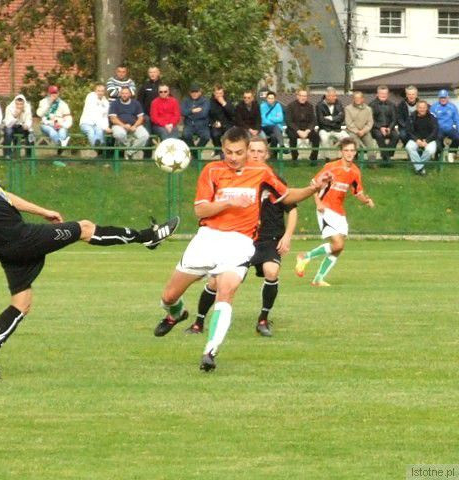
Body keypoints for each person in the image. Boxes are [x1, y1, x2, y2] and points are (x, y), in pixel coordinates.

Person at [0, 130, 180, 380]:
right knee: (84, 228)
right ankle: (148, 237)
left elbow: (6, 196)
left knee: (22, 303)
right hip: (22, 239)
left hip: (7, 248)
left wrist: (42, 211)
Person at [152, 127, 332, 372]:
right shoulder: (211, 170)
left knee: (225, 292)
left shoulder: (261, 172)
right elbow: (200, 210)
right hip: (207, 239)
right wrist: (228, 202)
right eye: (228, 152)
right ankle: (176, 314)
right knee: (169, 297)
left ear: (247, 150)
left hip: (240, 242)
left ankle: (210, 351)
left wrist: (313, 187)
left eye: (238, 152)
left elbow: (287, 197)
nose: (233, 157)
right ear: (222, 149)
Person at [180, 138, 298, 338]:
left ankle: (263, 320)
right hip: (240, 238)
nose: (256, 155)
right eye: (252, 151)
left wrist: (287, 236)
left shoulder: (272, 178)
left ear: (267, 154)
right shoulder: (236, 176)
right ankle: (198, 322)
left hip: (268, 238)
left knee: (272, 271)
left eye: (260, 151)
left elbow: (292, 208)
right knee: (215, 283)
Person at [295, 138, 375, 287]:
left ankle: (318, 279)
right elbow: (313, 184)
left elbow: (358, 192)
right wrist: (318, 203)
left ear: (355, 152)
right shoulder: (331, 167)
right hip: (326, 209)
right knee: (338, 244)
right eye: (346, 150)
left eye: (352, 150)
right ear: (341, 152)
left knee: (339, 247)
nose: (349, 153)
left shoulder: (355, 172)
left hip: (339, 211)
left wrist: (366, 200)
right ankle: (305, 256)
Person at [108, 86, 150, 159]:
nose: (124, 95)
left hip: (134, 125)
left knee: (145, 135)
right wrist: (124, 125)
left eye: (126, 93)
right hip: (119, 125)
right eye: (123, 93)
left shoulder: (136, 103)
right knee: (119, 134)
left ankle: (129, 152)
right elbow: (113, 119)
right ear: (120, 94)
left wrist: (135, 126)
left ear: (130, 94)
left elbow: (141, 118)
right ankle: (128, 145)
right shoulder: (114, 103)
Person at [286, 89, 320, 166]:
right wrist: (298, 131)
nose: (303, 98)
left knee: (316, 137)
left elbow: (313, 121)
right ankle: (294, 158)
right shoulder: (290, 106)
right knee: (292, 137)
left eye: (305, 96)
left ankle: (313, 158)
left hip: (306, 129)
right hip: (294, 129)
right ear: (297, 96)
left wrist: (308, 130)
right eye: (301, 96)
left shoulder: (310, 106)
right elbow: (289, 121)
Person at [405, 100, 438, 176]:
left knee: (430, 150)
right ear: (417, 108)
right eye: (420, 107)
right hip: (416, 139)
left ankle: (418, 167)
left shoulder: (432, 117)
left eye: (424, 107)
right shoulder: (411, 117)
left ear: (427, 108)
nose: (422, 109)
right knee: (409, 147)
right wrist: (416, 140)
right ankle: (420, 168)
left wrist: (427, 141)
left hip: (429, 139)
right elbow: (408, 130)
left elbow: (435, 130)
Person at [369, 85, 398, 167]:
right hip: (376, 128)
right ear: (377, 94)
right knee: (379, 135)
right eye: (381, 93)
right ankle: (386, 158)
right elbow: (370, 120)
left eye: (385, 93)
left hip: (389, 127)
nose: (383, 95)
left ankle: (387, 155)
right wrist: (380, 127)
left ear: (388, 94)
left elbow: (394, 119)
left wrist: (390, 128)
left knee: (396, 136)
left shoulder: (392, 105)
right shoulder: (372, 105)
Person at [36, 85, 73, 152]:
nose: (54, 95)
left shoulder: (62, 104)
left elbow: (68, 118)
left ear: (58, 93)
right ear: (48, 93)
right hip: (46, 124)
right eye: (52, 93)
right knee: (51, 131)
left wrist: (63, 125)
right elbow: (39, 114)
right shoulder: (43, 102)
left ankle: (60, 147)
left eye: (55, 93)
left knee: (62, 131)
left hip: (59, 124)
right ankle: (61, 144)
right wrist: (49, 104)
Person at [344, 91, 377, 165]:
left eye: (359, 98)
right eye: (355, 98)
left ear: (363, 99)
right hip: (352, 131)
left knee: (370, 142)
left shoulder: (368, 109)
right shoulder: (348, 108)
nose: (357, 99)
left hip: (364, 131)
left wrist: (363, 131)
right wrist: (357, 131)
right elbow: (349, 123)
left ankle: (372, 162)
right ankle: (356, 161)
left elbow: (370, 122)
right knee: (355, 141)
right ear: (353, 99)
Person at [316, 87, 348, 160]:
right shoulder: (319, 105)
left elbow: (342, 117)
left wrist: (331, 118)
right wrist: (335, 121)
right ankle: (328, 158)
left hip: (337, 129)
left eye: (335, 96)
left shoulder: (339, 103)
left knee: (346, 138)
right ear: (327, 96)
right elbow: (321, 121)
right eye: (333, 96)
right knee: (324, 138)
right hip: (324, 129)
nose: (335, 97)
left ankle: (341, 157)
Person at [181, 83, 210, 160]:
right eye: (192, 92)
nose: (194, 94)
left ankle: (194, 154)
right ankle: (196, 155)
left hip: (202, 125)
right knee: (185, 135)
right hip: (189, 125)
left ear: (200, 92)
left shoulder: (205, 100)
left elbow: (204, 113)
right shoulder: (185, 100)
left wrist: (189, 114)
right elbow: (182, 112)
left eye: (196, 92)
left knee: (206, 136)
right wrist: (192, 111)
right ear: (189, 92)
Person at [79, 83, 111, 153]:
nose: (100, 93)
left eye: (102, 91)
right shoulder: (90, 97)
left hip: (97, 125)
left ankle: (100, 148)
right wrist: (104, 127)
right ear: (95, 91)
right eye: (98, 91)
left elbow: (104, 117)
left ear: (104, 92)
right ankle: (98, 148)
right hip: (86, 123)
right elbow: (94, 114)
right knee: (91, 131)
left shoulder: (106, 102)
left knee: (99, 131)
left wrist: (106, 127)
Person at [430, 89, 459, 163]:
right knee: (438, 139)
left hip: (450, 128)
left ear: (448, 98)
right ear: (438, 98)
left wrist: (458, 129)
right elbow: (431, 120)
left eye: (444, 97)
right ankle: (440, 154)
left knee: (457, 137)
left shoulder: (452, 107)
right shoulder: (434, 107)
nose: (443, 99)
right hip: (439, 128)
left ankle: (451, 153)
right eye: (441, 97)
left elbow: (457, 119)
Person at [3, 94, 34, 160]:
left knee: (31, 134)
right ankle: (7, 154)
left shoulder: (27, 108)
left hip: (22, 127)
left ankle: (29, 154)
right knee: (8, 132)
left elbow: (29, 119)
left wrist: (27, 125)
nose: (19, 106)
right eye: (17, 104)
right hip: (11, 126)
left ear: (23, 104)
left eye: (21, 104)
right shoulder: (9, 108)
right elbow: (8, 124)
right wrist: (16, 116)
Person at [208, 85, 235, 159]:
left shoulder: (227, 100)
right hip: (216, 124)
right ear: (214, 93)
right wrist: (213, 123)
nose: (219, 95)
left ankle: (228, 152)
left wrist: (224, 103)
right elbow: (208, 115)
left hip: (227, 124)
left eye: (221, 93)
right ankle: (219, 151)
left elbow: (232, 113)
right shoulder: (210, 102)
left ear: (223, 93)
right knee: (215, 134)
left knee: (228, 135)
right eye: (217, 93)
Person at [135, 66, 162, 134]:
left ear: (158, 73)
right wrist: (142, 113)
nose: (152, 74)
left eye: (154, 72)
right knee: (146, 120)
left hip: (160, 114)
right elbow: (139, 101)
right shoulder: (144, 85)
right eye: (150, 72)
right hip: (147, 114)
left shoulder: (163, 85)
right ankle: (148, 139)